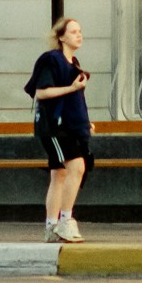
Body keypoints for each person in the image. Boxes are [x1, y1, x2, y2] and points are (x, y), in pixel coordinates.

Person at [26, 17, 92, 242]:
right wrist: (71, 87)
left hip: (67, 126)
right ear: (61, 37)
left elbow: (75, 100)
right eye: (73, 32)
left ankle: (51, 227)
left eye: (80, 31)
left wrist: (85, 122)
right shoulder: (51, 60)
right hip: (54, 127)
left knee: (59, 174)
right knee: (77, 166)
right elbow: (41, 92)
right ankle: (65, 221)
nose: (79, 35)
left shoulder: (74, 63)